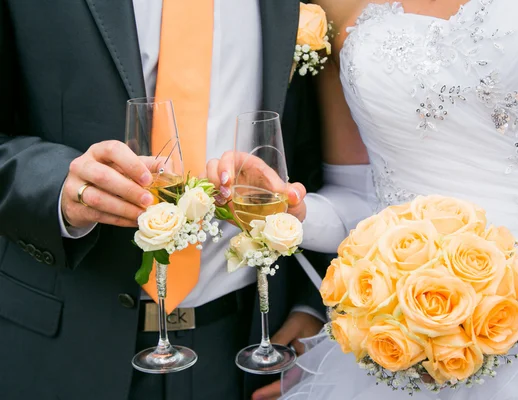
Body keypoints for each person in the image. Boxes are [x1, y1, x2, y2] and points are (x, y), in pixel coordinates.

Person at [210, 0, 518, 398]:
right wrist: (291, 212)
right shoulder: (333, 6)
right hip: (416, 339)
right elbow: (363, 199)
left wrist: (493, 331)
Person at [0, 1, 331, 399]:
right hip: (64, 342)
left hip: (245, 346)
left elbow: (314, 151)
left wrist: (313, 304)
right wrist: (56, 188)